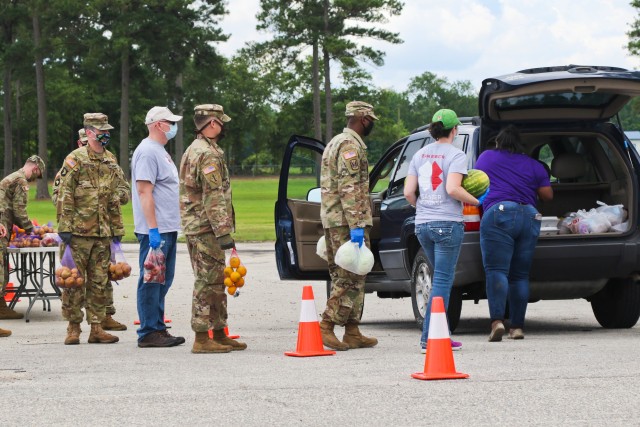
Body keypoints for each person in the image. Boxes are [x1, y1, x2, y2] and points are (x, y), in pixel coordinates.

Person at [404, 109, 486, 353]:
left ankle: (441, 334)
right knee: (442, 280)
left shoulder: (418, 155)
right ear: (454, 130)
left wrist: (424, 207)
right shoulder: (456, 155)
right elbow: (452, 189)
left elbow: (409, 192)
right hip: (447, 224)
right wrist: (477, 200)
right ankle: (431, 338)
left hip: (422, 225)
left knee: (438, 277)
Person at [57, 112, 130, 345]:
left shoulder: (110, 159)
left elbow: (116, 198)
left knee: (99, 282)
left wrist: (117, 229)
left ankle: (97, 327)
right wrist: (65, 227)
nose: (106, 135)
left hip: (102, 233)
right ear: (89, 133)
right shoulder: (75, 159)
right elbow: (64, 195)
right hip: (78, 233)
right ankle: (73, 327)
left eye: (107, 131)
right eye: (102, 131)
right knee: (74, 282)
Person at [475, 125, 553, 341]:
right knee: (520, 275)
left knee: (497, 270)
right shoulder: (533, 164)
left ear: (498, 142)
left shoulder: (487, 157)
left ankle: (497, 322)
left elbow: (476, 185)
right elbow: (547, 195)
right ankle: (517, 327)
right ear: (521, 146)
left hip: (498, 214)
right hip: (529, 215)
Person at [179, 103, 246, 354]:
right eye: (222, 122)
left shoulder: (199, 148)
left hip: (202, 225)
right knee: (207, 282)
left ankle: (218, 332)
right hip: (205, 227)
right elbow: (213, 195)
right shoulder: (206, 153)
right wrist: (223, 231)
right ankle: (201, 336)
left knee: (217, 281)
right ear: (213, 123)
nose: (224, 127)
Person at [318, 101, 379, 351]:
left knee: (354, 275)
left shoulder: (336, 142)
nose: (372, 124)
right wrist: (356, 224)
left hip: (337, 220)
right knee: (349, 276)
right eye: (371, 120)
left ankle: (352, 330)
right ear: (363, 119)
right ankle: (326, 325)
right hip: (346, 222)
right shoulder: (349, 146)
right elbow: (349, 187)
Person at [131, 106, 185, 348]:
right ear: (156, 124)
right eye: (169, 122)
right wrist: (152, 229)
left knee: (164, 279)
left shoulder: (160, 151)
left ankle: (157, 325)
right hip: (156, 229)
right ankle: (149, 331)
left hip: (167, 226)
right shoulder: (147, 152)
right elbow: (144, 191)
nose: (173, 126)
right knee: (152, 279)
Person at [0, 156, 44, 335]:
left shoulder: (11, 177)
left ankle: (1, 306)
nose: (35, 179)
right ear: (35, 168)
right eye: (38, 175)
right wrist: (30, 229)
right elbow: (19, 209)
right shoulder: (20, 180)